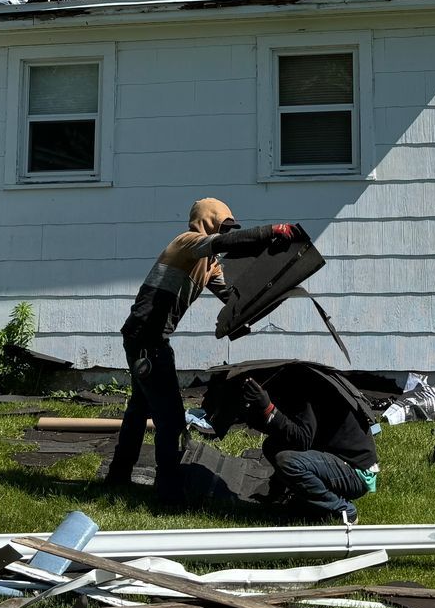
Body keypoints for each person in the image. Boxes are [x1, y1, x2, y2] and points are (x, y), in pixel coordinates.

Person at [106, 198, 296, 499]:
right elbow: (226, 241)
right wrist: (272, 230)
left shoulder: (208, 263)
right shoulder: (188, 242)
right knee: (170, 418)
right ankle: (169, 489)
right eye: (224, 226)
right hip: (146, 338)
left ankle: (118, 476)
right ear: (208, 222)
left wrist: (246, 314)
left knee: (139, 410)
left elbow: (230, 297)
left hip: (147, 337)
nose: (227, 233)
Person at [237, 364, 379, 525]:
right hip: (337, 461)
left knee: (288, 461)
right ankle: (289, 497)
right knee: (272, 445)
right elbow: (289, 434)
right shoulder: (297, 378)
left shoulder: (304, 385)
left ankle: (344, 510)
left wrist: (268, 408)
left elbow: (302, 440)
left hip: (355, 472)